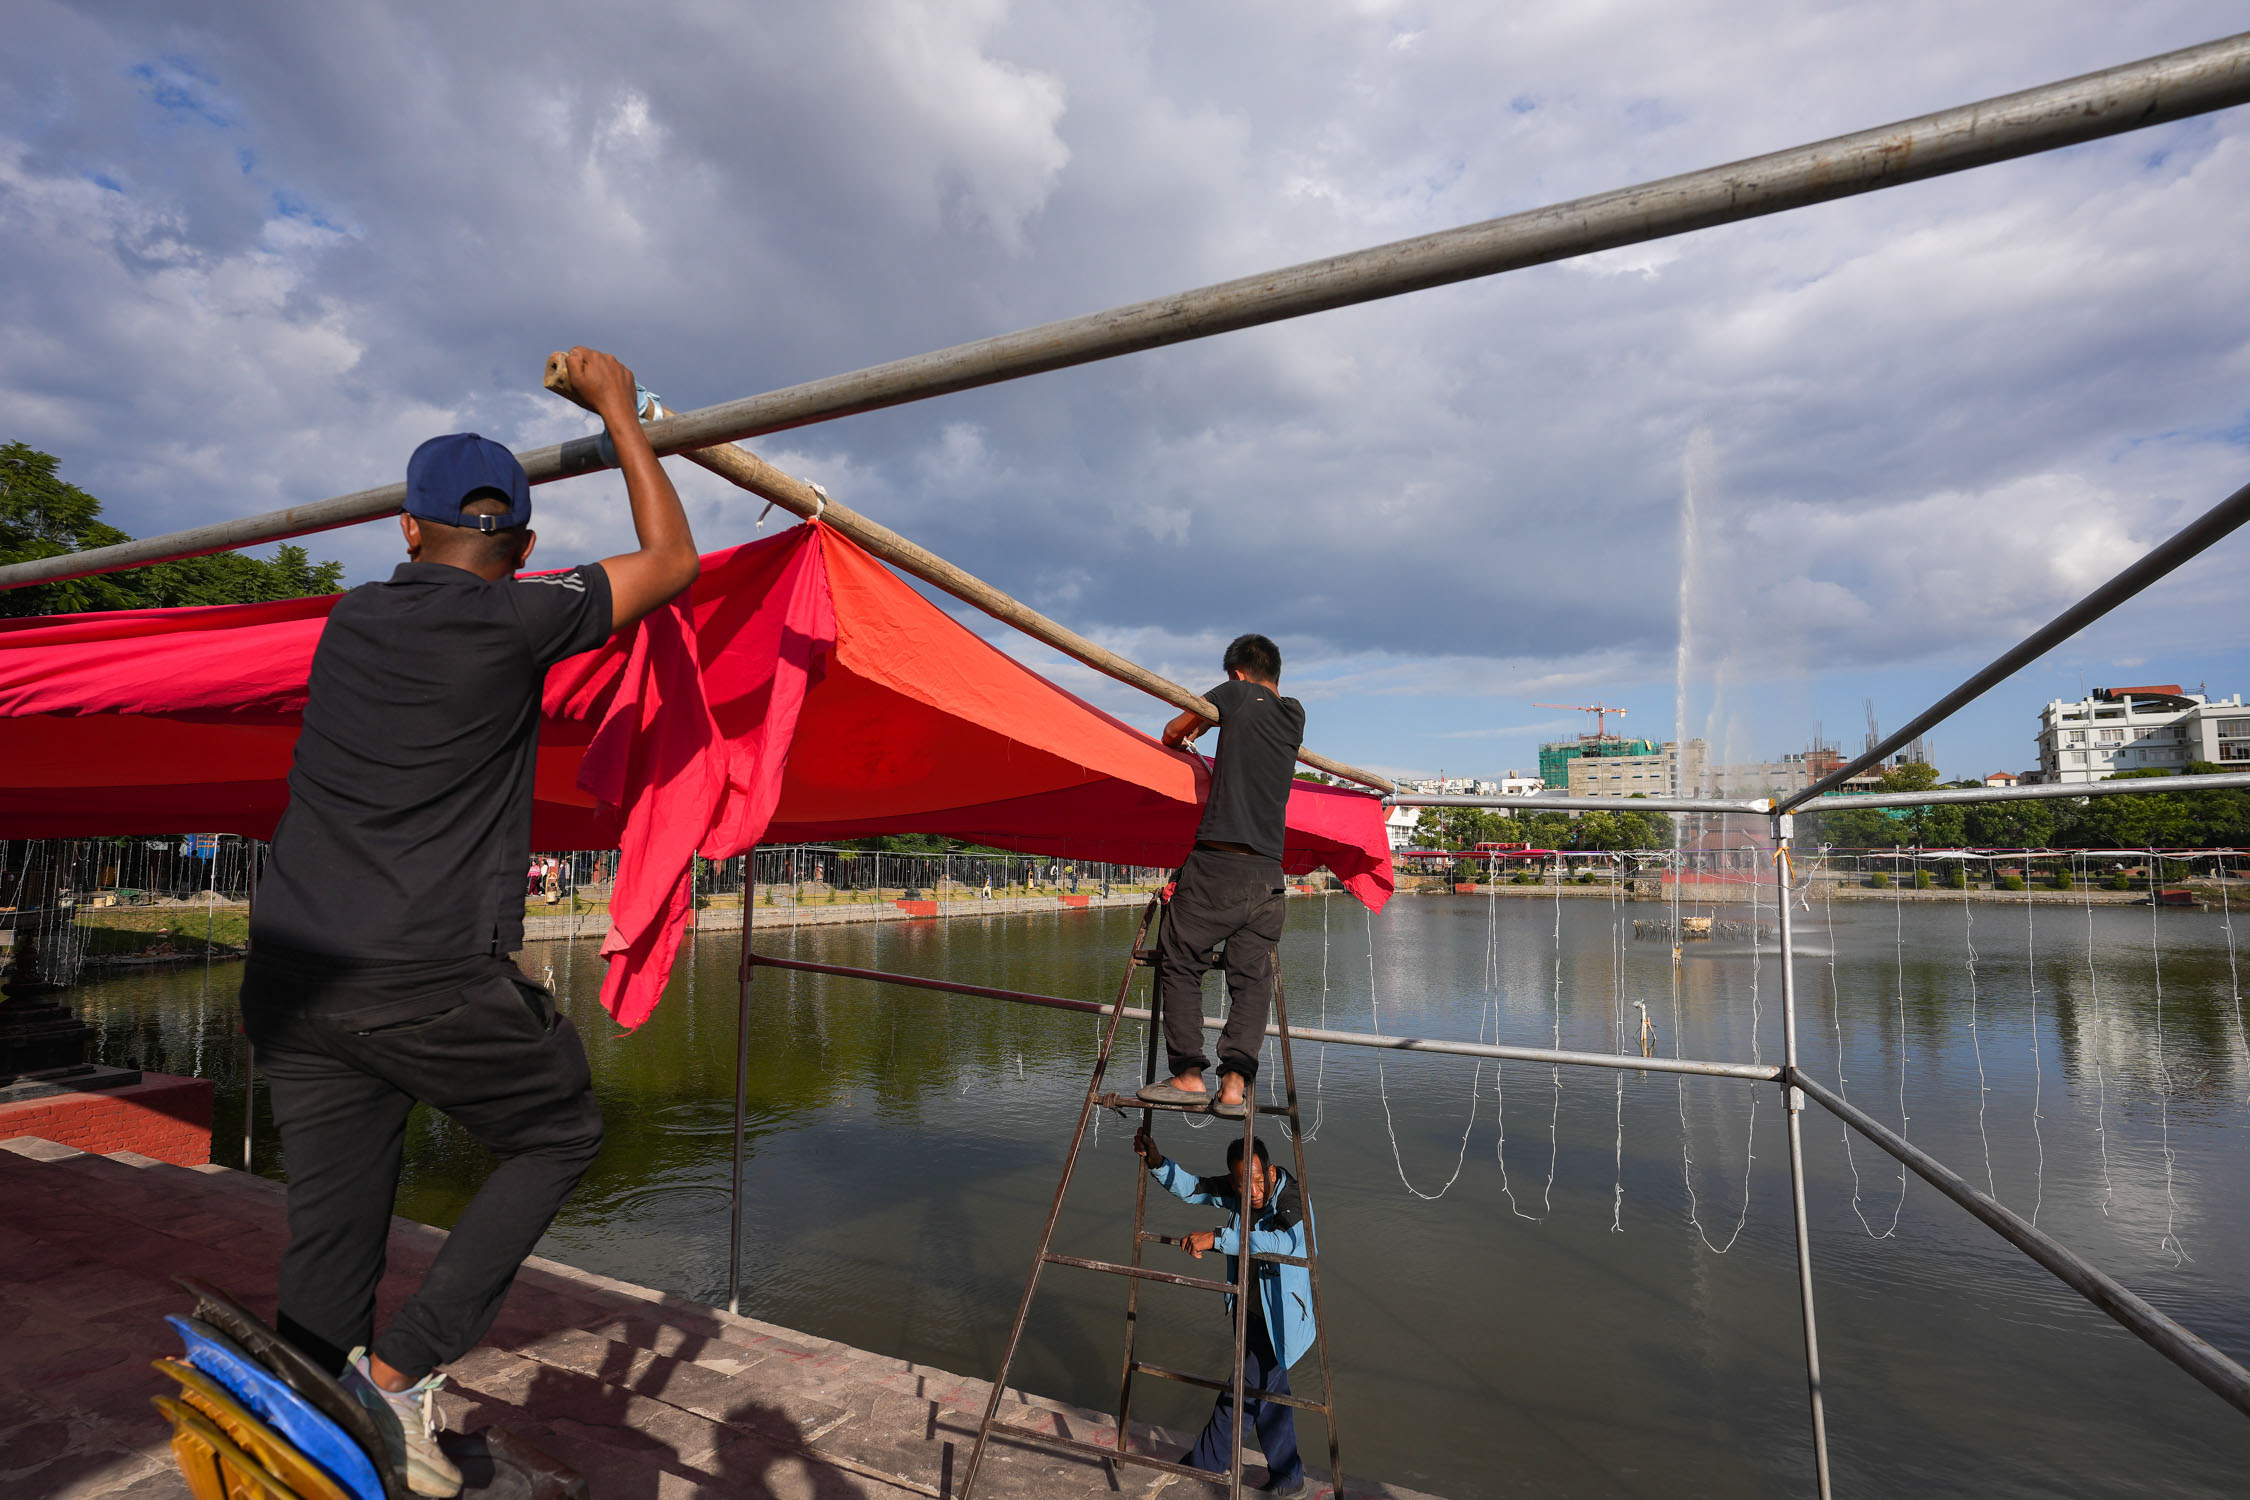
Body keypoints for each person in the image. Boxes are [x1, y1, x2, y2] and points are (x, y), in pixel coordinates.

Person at [237, 347, 700, 1498]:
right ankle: (401, 1372)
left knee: (335, 1217)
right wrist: (620, 414)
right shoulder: (516, 621)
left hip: (292, 976)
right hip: (422, 977)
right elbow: (674, 562)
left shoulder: (347, 622)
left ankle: (318, 1416)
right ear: (525, 550)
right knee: (559, 1134)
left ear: (406, 532)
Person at [1139, 634, 1305, 1119]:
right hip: (1268, 874)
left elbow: (1173, 732)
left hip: (1218, 865)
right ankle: (1234, 1086)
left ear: (1235, 672)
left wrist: (1196, 728)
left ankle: (1189, 1075)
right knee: (1250, 979)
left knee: (1181, 956)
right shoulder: (1295, 713)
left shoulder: (1233, 694)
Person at [1132, 1129, 1313, 1499]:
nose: (1255, 1191)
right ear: (1235, 1180)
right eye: (1245, 1183)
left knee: (1240, 1396)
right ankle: (1289, 1473)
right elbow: (1193, 1188)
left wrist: (1216, 1238)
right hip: (1246, 1312)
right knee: (1268, 1397)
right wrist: (1156, 1161)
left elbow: (1281, 1244)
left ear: (1272, 1172)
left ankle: (1204, 1466)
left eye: (1261, 1181)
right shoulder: (1237, 1189)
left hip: (1279, 1322)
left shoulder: (1291, 1199)